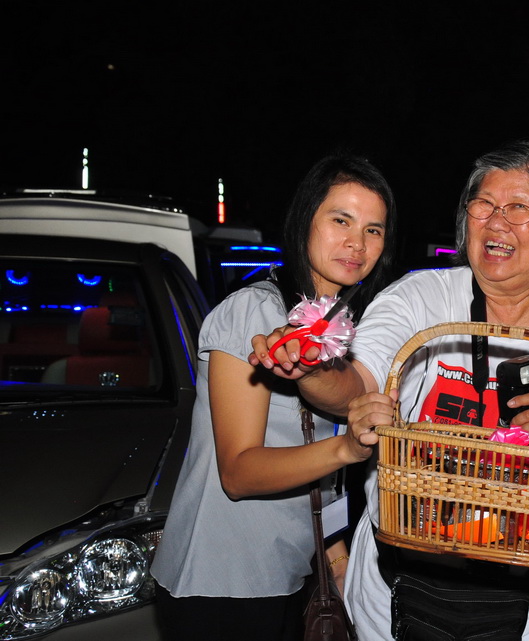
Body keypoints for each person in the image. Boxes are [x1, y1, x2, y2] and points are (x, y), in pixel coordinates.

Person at [251, 140, 529, 640]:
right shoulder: (420, 297)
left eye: (518, 207)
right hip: (398, 589)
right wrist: (310, 368)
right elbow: (358, 385)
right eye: (483, 205)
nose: (496, 222)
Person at [150, 153, 397, 641]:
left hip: (291, 573)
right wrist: (348, 448)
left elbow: (309, 458)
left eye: (373, 229)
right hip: (220, 584)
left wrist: (335, 557)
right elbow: (239, 473)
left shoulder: (340, 328)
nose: (357, 242)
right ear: (305, 221)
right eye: (341, 220)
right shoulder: (254, 312)